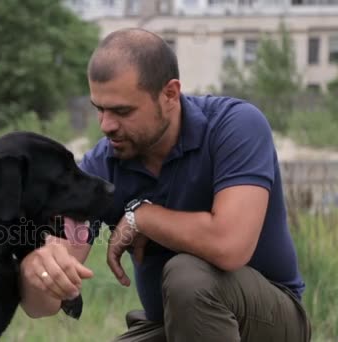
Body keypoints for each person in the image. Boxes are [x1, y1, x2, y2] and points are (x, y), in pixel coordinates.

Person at [18, 27, 311, 341]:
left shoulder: (235, 127)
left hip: (269, 320)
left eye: (122, 111)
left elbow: (229, 246)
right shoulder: (101, 166)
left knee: (187, 276)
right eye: (99, 109)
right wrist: (38, 269)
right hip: (169, 326)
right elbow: (42, 305)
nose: (106, 126)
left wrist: (143, 218)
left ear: (170, 94)